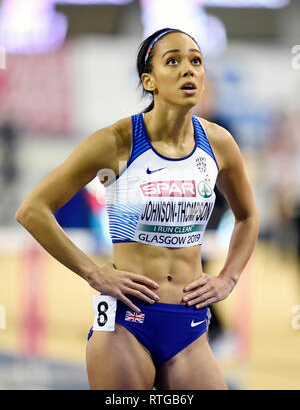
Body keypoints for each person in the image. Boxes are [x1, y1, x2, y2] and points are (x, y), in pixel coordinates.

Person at [15, 28, 259, 390]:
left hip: (189, 326)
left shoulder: (219, 143)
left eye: (196, 61)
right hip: (125, 324)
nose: (188, 70)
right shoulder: (116, 142)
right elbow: (33, 210)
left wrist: (228, 278)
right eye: (172, 61)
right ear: (150, 80)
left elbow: (248, 216)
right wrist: (93, 273)